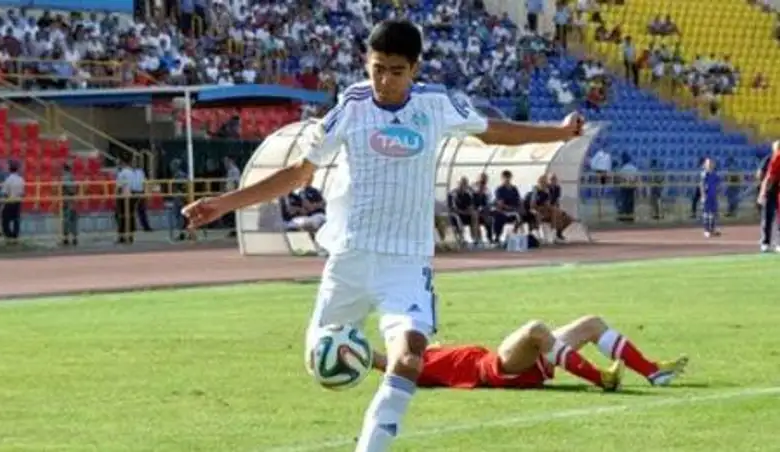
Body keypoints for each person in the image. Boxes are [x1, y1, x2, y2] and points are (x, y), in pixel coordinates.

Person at [181, 19, 584, 452]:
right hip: (350, 260)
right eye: (377, 69)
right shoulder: (350, 107)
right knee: (320, 360)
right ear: (366, 63)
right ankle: (348, 353)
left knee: (409, 357)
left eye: (396, 71)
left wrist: (559, 132)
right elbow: (298, 173)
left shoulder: (436, 104)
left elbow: (494, 131)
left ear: (414, 69)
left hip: (406, 263)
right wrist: (224, 203)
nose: (385, 80)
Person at [372, 315, 689, 391]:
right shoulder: (411, 364)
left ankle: (652, 371)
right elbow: (388, 363)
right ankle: (602, 378)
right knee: (535, 328)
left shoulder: (428, 350)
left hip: (508, 361)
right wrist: (357, 349)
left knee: (592, 323)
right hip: (493, 369)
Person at [757, 141, 780, 252]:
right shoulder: (768, 159)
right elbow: (761, 174)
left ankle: (778, 243)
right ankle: (765, 242)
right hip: (770, 191)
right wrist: (763, 189)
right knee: (767, 217)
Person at [700, 157, 721, 238]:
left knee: (713, 213)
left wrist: (718, 193)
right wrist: (703, 195)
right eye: (708, 163)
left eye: (711, 163)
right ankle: (706, 230)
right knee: (706, 213)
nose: (710, 165)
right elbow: (702, 185)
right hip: (707, 196)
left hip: (713, 196)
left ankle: (712, 229)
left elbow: (718, 185)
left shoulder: (715, 174)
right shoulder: (704, 174)